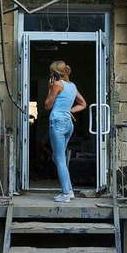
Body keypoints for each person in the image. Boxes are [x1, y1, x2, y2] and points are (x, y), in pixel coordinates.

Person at [44, 61, 87, 203]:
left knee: (60, 158)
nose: (50, 74)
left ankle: (66, 193)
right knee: (57, 158)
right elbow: (83, 104)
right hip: (68, 124)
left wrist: (50, 88)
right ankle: (69, 190)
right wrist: (69, 110)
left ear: (56, 73)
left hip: (57, 123)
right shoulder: (72, 86)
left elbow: (47, 105)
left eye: (51, 72)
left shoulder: (57, 85)